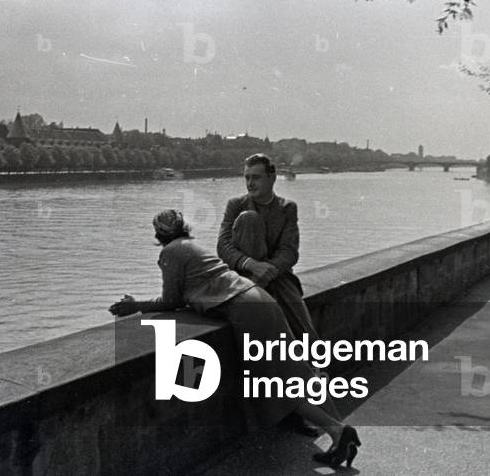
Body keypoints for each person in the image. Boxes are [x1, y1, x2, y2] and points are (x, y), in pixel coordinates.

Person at [109, 209, 362, 469]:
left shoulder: (170, 252)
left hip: (245, 309)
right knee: (290, 375)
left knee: (274, 385)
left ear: (158, 234)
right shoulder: (192, 245)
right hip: (259, 299)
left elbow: (170, 300)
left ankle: (338, 432)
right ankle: (337, 434)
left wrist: (135, 305)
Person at [217, 153, 317, 339]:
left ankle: (314, 365)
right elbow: (223, 245)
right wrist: (250, 265)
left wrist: (267, 271)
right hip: (244, 276)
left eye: (256, 177)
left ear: (272, 178)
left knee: (304, 330)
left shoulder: (287, 208)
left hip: (277, 277)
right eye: (247, 177)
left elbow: (289, 252)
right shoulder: (236, 205)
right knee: (249, 218)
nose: (250, 183)